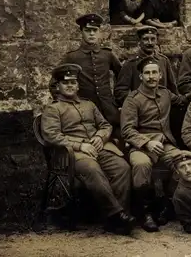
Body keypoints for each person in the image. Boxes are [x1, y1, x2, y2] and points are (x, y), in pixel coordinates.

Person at [41, 64, 135, 235]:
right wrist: (80, 145)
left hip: (100, 147)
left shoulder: (89, 105)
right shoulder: (53, 108)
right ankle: (116, 216)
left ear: (78, 86)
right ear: (58, 86)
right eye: (65, 83)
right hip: (71, 153)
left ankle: (115, 217)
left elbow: (105, 125)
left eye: (73, 82)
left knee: (122, 167)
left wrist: (100, 136)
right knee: (93, 169)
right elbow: (51, 135)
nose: (70, 86)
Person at [121, 56, 191, 232]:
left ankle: (168, 206)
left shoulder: (165, 93)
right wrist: (147, 143)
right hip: (141, 146)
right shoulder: (132, 99)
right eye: (147, 73)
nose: (151, 77)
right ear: (141, 76)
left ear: (160, 75)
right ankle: (146, 213)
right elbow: (127, 130)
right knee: (141, 165)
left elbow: (180, 101)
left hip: (166, 144)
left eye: (154, 72)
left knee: (182, 161)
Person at [50, 14, 122, 137]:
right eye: (87, 30)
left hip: (109, 109)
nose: (92, 34)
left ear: (99, 32)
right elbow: (53, 83)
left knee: (117, 138)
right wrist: (68, 104)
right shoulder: (72, 57)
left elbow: (122, 76)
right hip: (85, 111)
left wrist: (117, 100)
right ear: (81, 32)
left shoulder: (107, 55)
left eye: (94, 30)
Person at [114, 26, 178, 106]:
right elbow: (120, 91)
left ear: (156, 41)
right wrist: (136, 102)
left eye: (153, 39)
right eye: (145, 39)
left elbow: (172, 87)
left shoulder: (163, 61)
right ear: (139, 41)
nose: (150, 42)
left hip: (162, 109)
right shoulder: (131, 63)